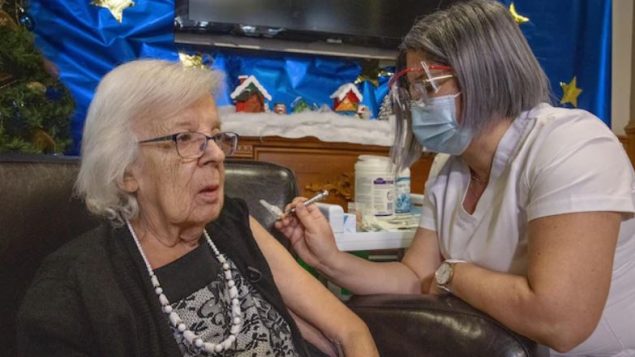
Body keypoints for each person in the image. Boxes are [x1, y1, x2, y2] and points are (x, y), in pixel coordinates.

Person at [276, 1, 635, 356]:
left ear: (486, 75)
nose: (417, 103)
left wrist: (452, 275)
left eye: (429, 86)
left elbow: (561, 322)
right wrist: (327, 258)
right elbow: (414, 277)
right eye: (412, 89)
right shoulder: (450, 165)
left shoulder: (572, 145)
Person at [17, 59, 378, 357]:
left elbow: (351, 332)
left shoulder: (233, 224)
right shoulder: (73, 291)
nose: (218, 154)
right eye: (184, 138)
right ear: (125, 170)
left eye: (216, 136)